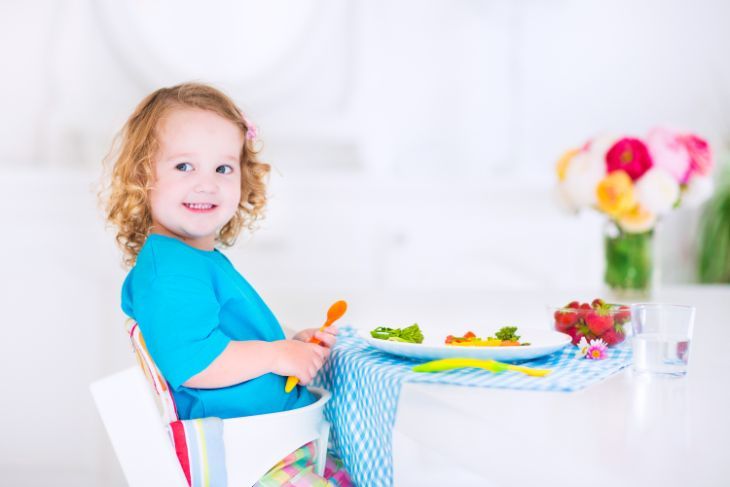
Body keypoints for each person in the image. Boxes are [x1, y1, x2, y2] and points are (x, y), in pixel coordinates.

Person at [103, 82, 351, 486]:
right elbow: (195, 359)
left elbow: (232, 336)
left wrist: (289, 343)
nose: (206, 183)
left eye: (223, 168)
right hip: (249, 460)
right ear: (142, 176)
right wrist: (276, 356)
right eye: (184, 166)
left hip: (275, 444)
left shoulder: (195, 261)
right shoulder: (169, 271)